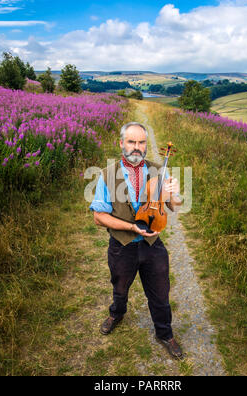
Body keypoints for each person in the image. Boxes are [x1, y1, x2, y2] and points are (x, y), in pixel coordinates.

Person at [89, 121, 183, 358]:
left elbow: (174, 206)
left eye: (141, 142)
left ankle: (165, 334)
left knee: (160, 293)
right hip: (122, 245)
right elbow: (99, 217)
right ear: (121, 144)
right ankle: (117, 314)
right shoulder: (106, 175)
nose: (137, 147)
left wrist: (174, 192)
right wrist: (131, 227)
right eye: (131, 142)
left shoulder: (159, 170)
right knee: (120, 287)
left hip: (152, 244)